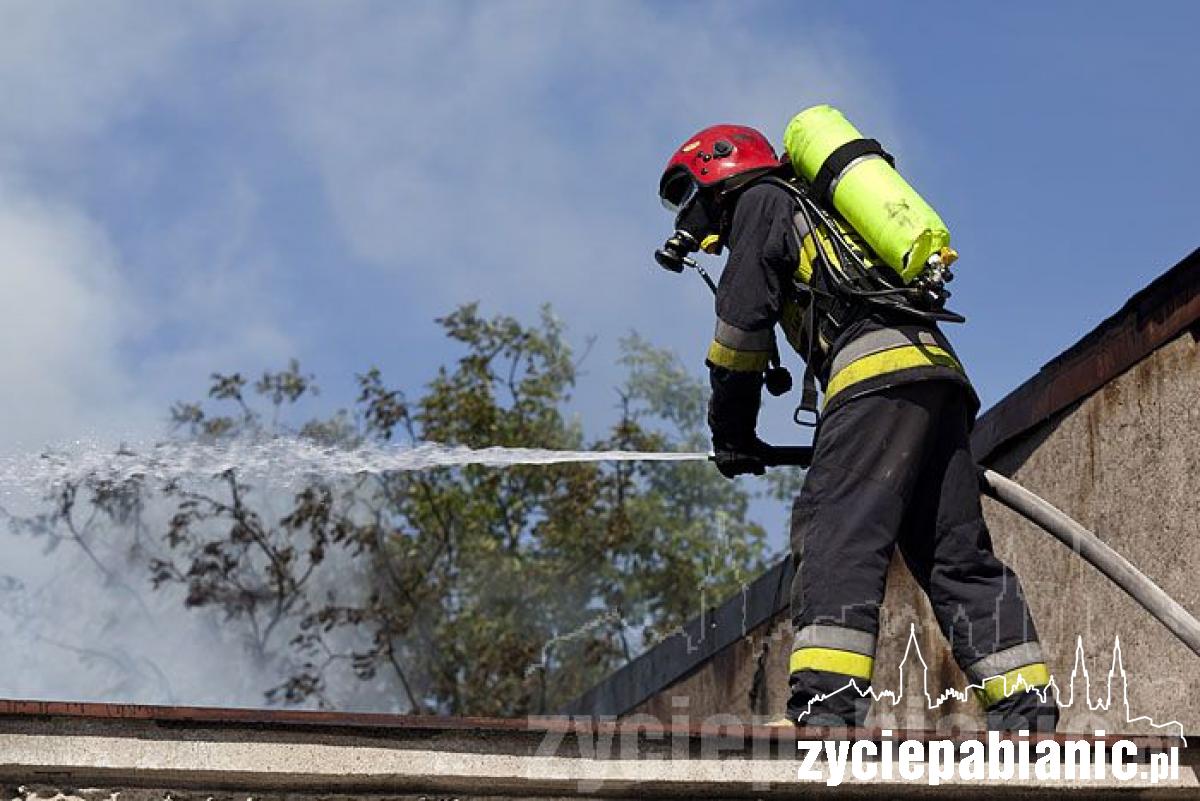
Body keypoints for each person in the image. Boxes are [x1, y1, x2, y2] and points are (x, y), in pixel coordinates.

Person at [656, 123, 1059, 730]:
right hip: (935, 379)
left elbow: (739, 339)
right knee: (955, 556)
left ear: (717, 171)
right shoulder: (826, 213)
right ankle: (1025, 710)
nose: (689, 215)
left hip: (873, 380)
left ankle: (825, 710)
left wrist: (731, 435)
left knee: (835, 536)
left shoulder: (762, 203)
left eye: (688, 193)